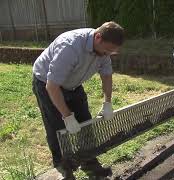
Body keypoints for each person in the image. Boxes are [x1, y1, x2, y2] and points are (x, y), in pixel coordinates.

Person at [32, 21, 124, 179]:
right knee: (57, 128)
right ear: (98, 37)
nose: (108, 54)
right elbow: (52, 86)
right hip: (47, 83)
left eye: (112, 52)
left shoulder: (104, 51)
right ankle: (63, 168)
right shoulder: (70, 47)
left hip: (73, 83)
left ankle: (89, 161)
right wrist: (67, 116)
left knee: (85, 123)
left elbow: (106, 75)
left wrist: (108, 102)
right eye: (108, 50)